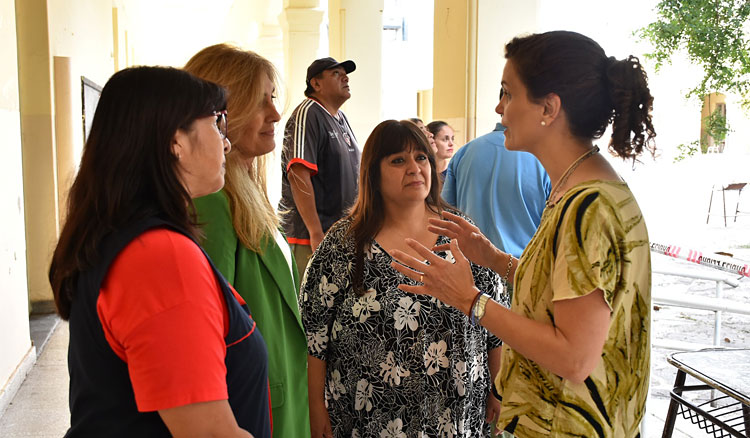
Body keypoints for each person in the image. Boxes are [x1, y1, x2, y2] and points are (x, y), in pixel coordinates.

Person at [391, 30, 655, 437]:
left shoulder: (589, 207)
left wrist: (467, 298)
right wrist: (493, 258)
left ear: (548, 108)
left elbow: (573, 357)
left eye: (508, 93)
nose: (499, 108)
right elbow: (562, 297)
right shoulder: (574, 189)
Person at [48, 66, 271, 437]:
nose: (226, 142)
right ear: (176, 141)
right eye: (217, 123)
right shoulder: (159, 257)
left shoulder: (128, 239)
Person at [301, 119, 508, 438]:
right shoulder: (345, 242)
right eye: (398, 160)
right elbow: (316, 333)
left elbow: (493, 312)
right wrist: (315, 407)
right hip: (367, 417)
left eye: (421, 157)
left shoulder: (460, 232)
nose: (414, 167)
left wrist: (498, 386)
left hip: (454, 414)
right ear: (373, 172)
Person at [184, 44, 310, 438]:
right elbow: (204, 332)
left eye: (273, 99)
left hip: (280, 395)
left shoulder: (245, 190)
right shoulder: (212, 202)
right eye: (261, 102)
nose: (275, 113)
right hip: (251, 410)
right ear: (221, 114)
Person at [279, 57, 360, 280]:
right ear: (316, 84)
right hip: (309, 238)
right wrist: (315, 233)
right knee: (310, 308)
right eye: (336, 73)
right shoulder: (308, 113)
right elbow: (298, 173)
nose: (345, 77)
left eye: (345, 73)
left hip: (337, 236)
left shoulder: (341, 118)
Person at [442, 121, 551, 258]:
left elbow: (446, 211)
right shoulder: (543, 157)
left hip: (473, 264)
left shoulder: (465, 152)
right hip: (522, 267)